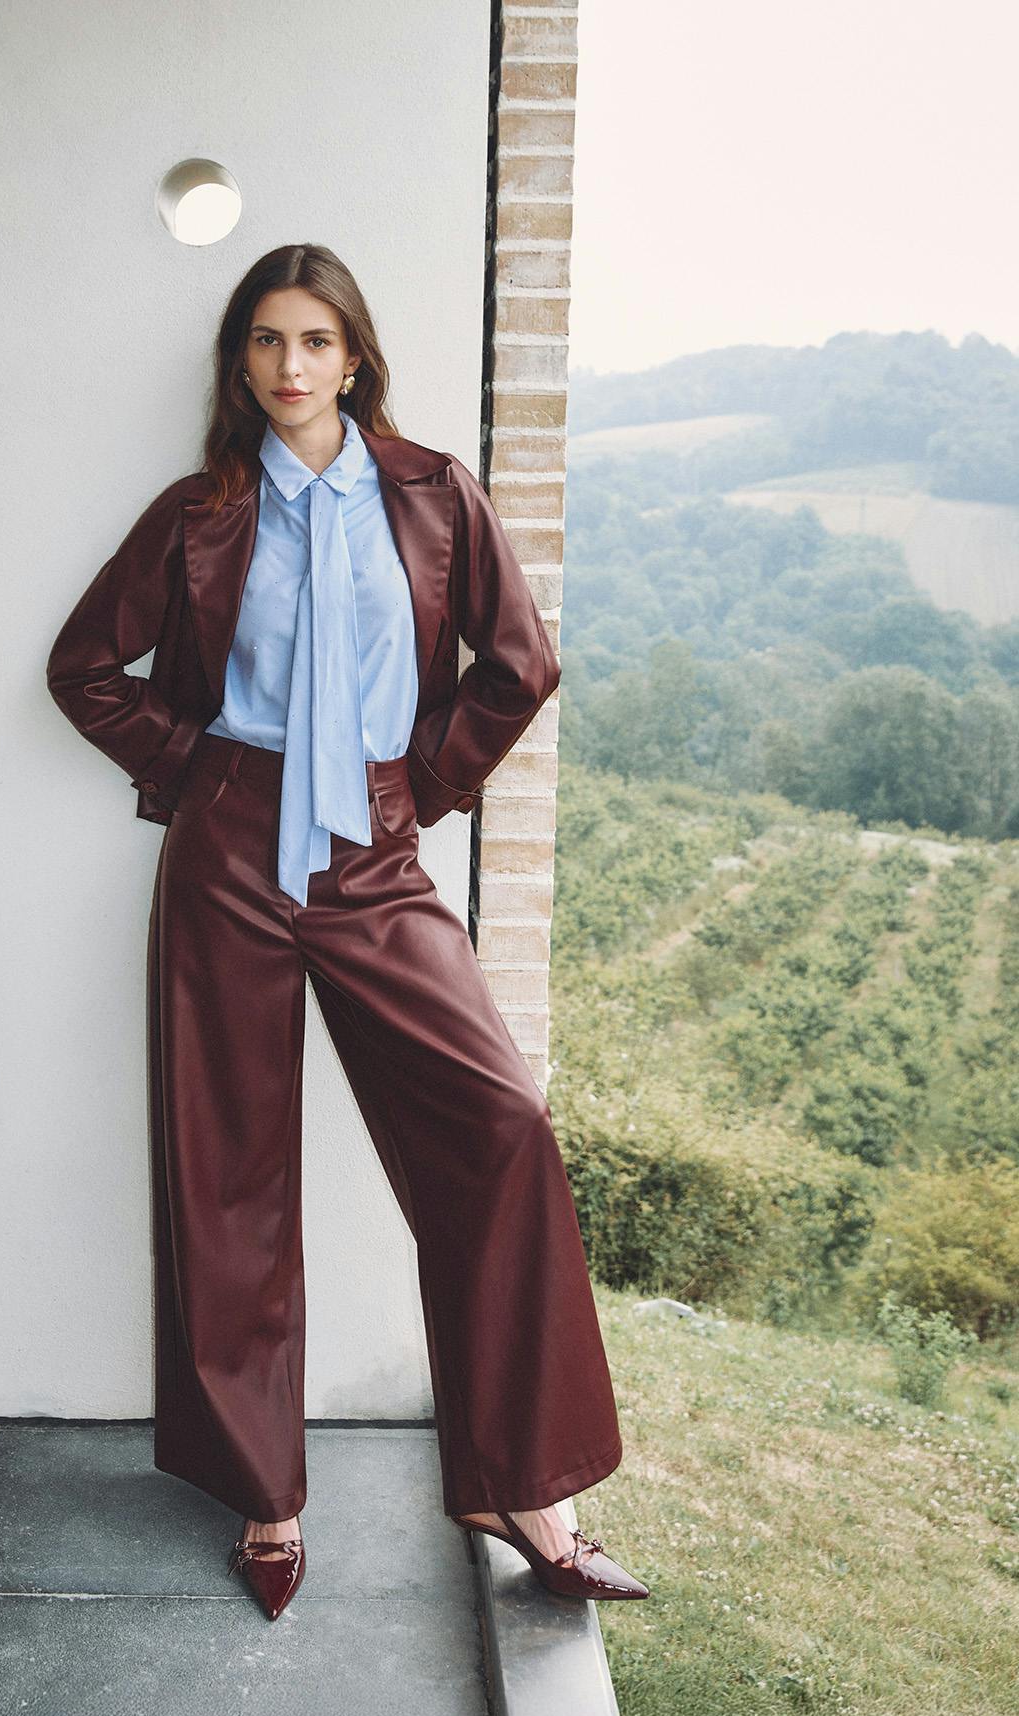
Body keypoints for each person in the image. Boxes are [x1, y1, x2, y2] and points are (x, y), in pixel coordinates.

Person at [45, 243, 648, 1621]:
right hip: (230, 853)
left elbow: (520, 662)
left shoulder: (432, 495)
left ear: (356, 356)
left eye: (315, 339)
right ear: (241, 362)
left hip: (374, 849)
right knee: (231, 1177)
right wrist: (199, 770)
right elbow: (85, 666)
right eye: (266, 341)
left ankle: (524, 1484)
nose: (291, 365)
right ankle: (267, 1492)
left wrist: (418, 788)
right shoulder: (200, 512)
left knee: (500, 1126)